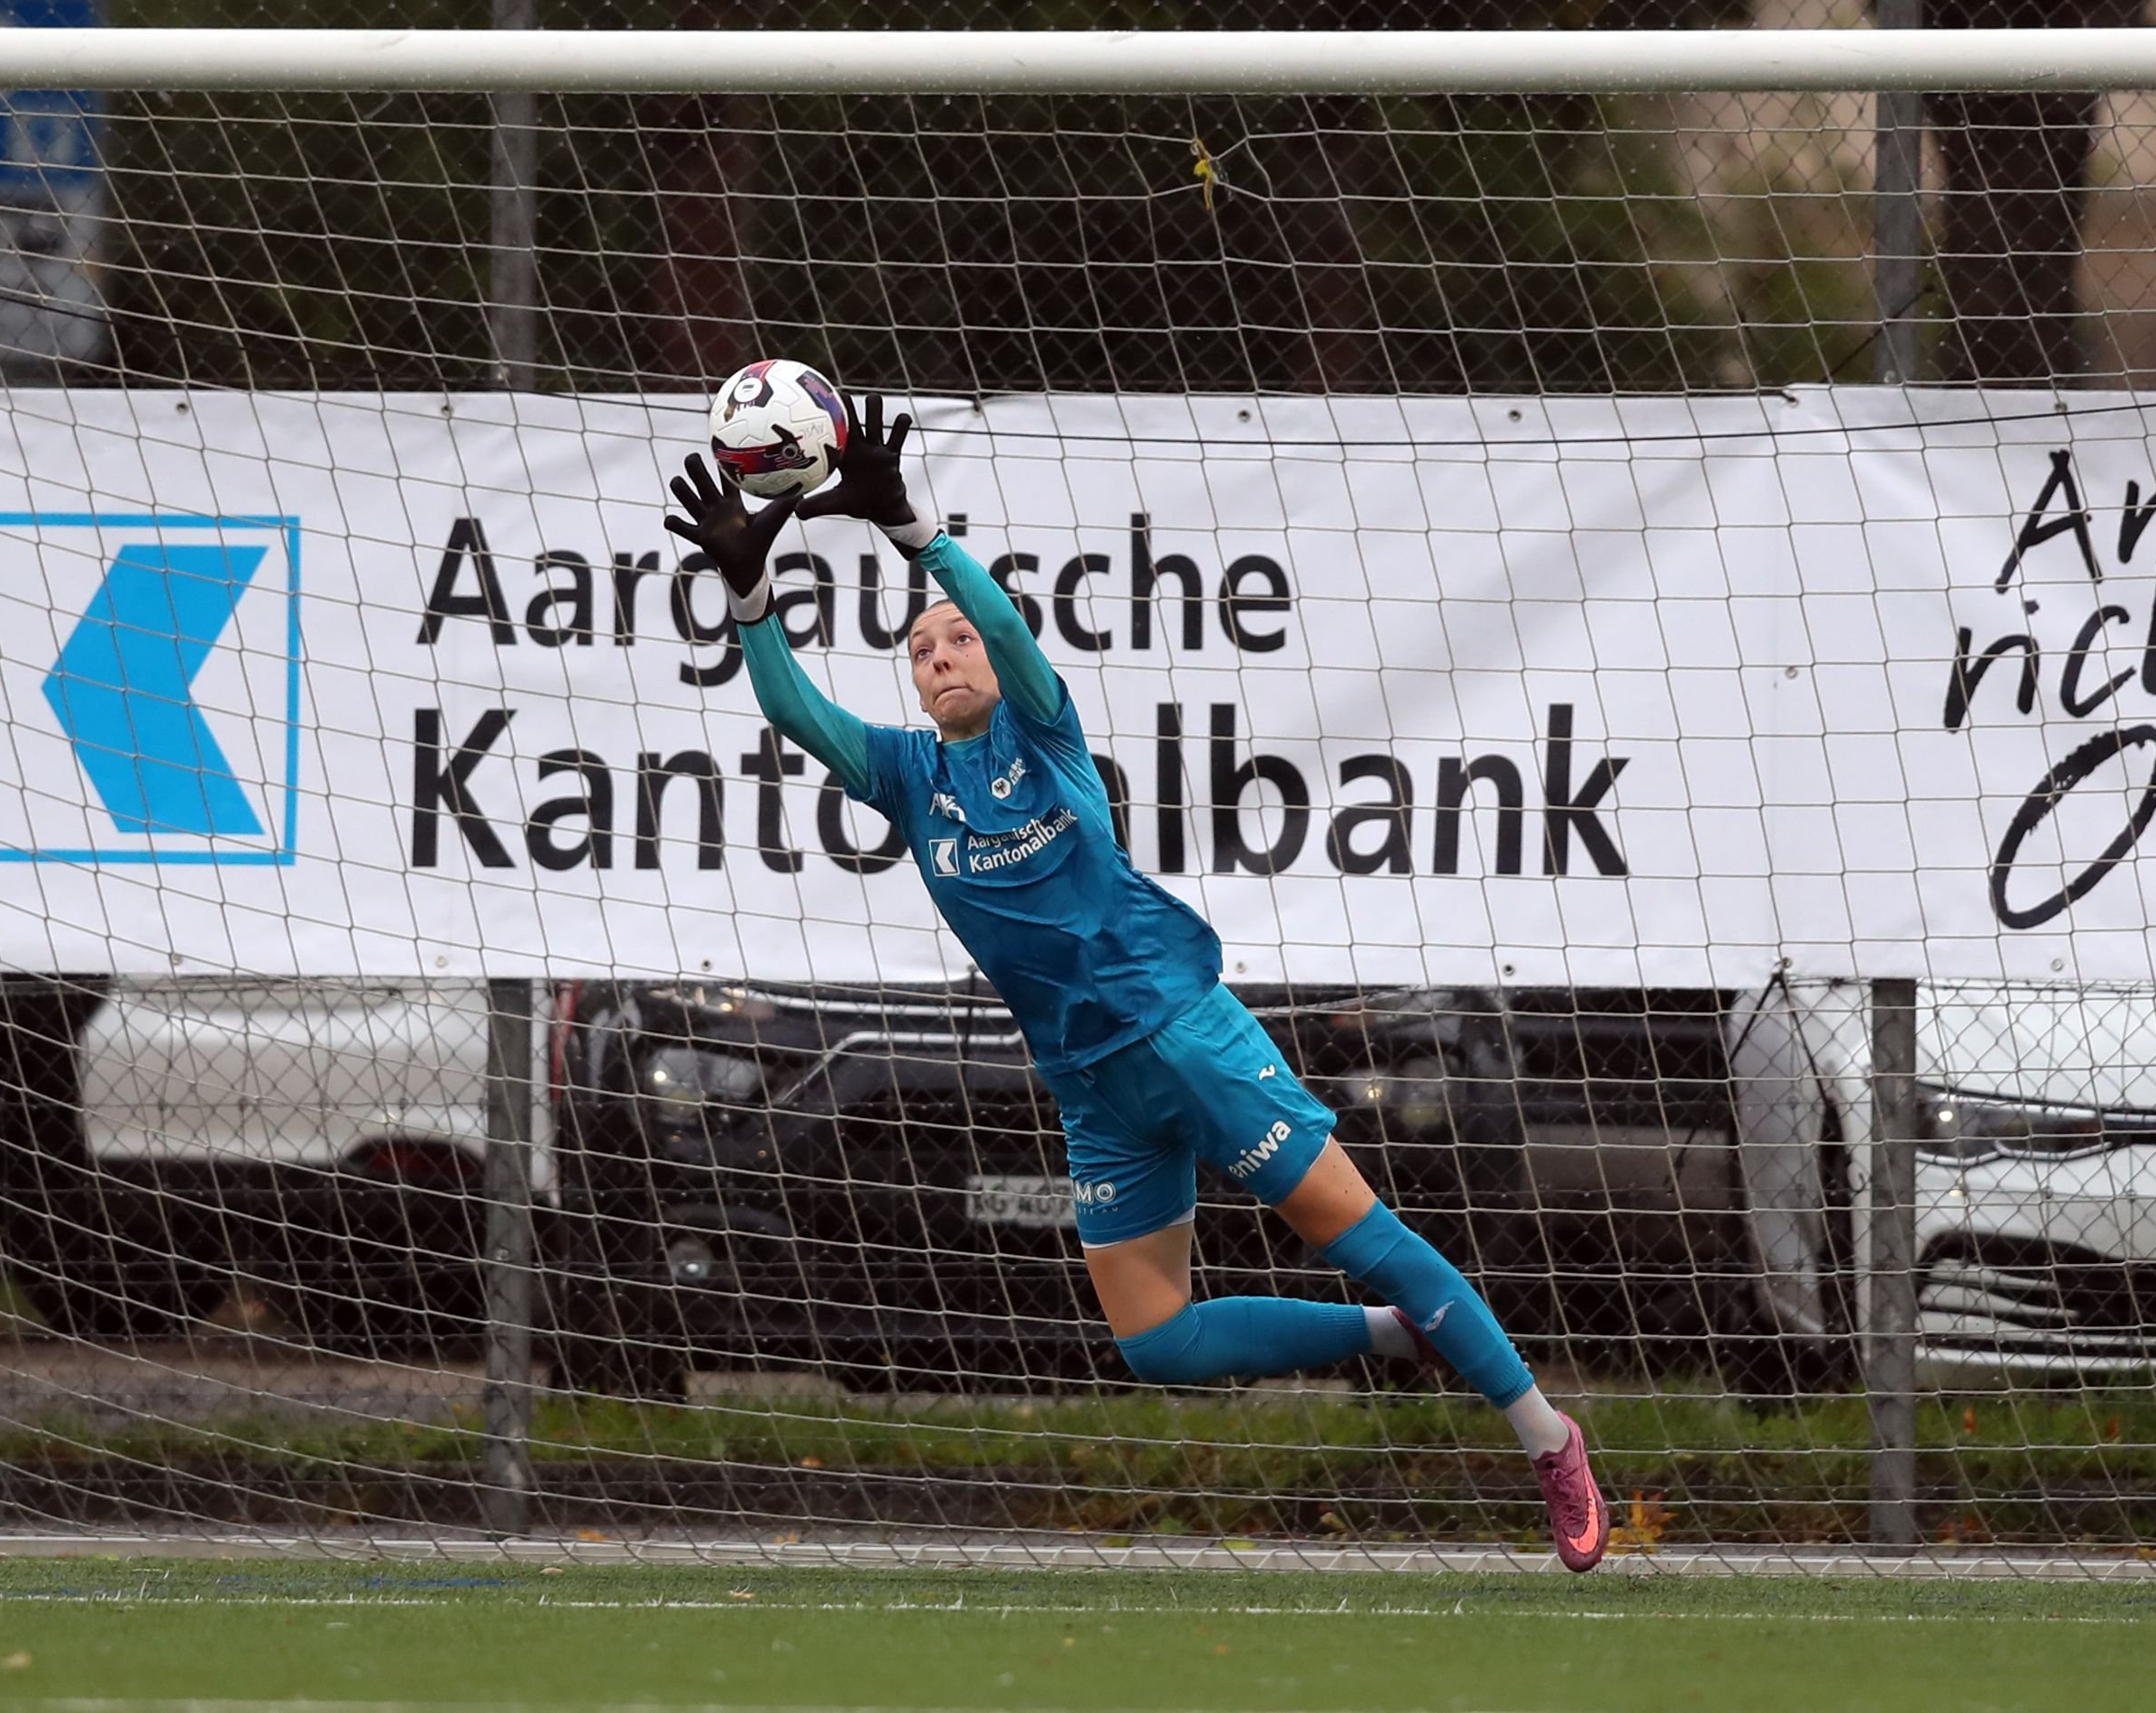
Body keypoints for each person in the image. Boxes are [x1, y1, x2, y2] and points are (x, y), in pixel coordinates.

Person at [664, 398, 1609, 1572]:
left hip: (1182, 1035)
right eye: (918, 649)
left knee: (1361, 1233)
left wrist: (915, 533)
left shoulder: (1042, 730)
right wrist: (749, 596)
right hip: (1091, 1081)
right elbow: (789, 709)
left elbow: (1008, 626)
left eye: (953, 641)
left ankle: (1544, 1436)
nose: (940, 655)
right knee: (1154, 1342)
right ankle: (1398, 1336)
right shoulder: (908, 777)